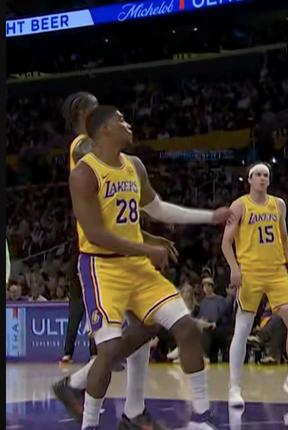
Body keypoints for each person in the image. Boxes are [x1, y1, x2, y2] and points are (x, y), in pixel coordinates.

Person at [69, 105, 229, 430]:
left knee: (187, 328)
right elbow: (96, 234)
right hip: (102, 268)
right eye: (120, 120)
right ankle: (89, 424)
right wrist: (148, 248)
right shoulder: (84, 173)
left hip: (137, 267)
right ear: (104, 129)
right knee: (109, 350)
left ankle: (201, 418)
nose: (128, 124)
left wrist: (210, 216)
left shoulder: (135, 166)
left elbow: (157, 209)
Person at [53, 92, 182, 430]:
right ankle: (89, 390)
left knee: (146, 326)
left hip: (121, 249)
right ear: (82, 113)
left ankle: (129, 407)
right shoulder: (83, 146)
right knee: (135, 330)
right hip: (100, 255)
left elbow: (119, 211)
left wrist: (147, 237)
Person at [221, 162, 288, 408]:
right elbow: (226, 243)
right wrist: (234, 268)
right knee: (242, 329)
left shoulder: (278, 204)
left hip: (277, 271)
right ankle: (235, 387)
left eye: (265, 175)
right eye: (257, 174)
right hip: (250, 272)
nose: (262, 178)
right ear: (249, 179)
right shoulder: (239, 206)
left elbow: (284, 238)